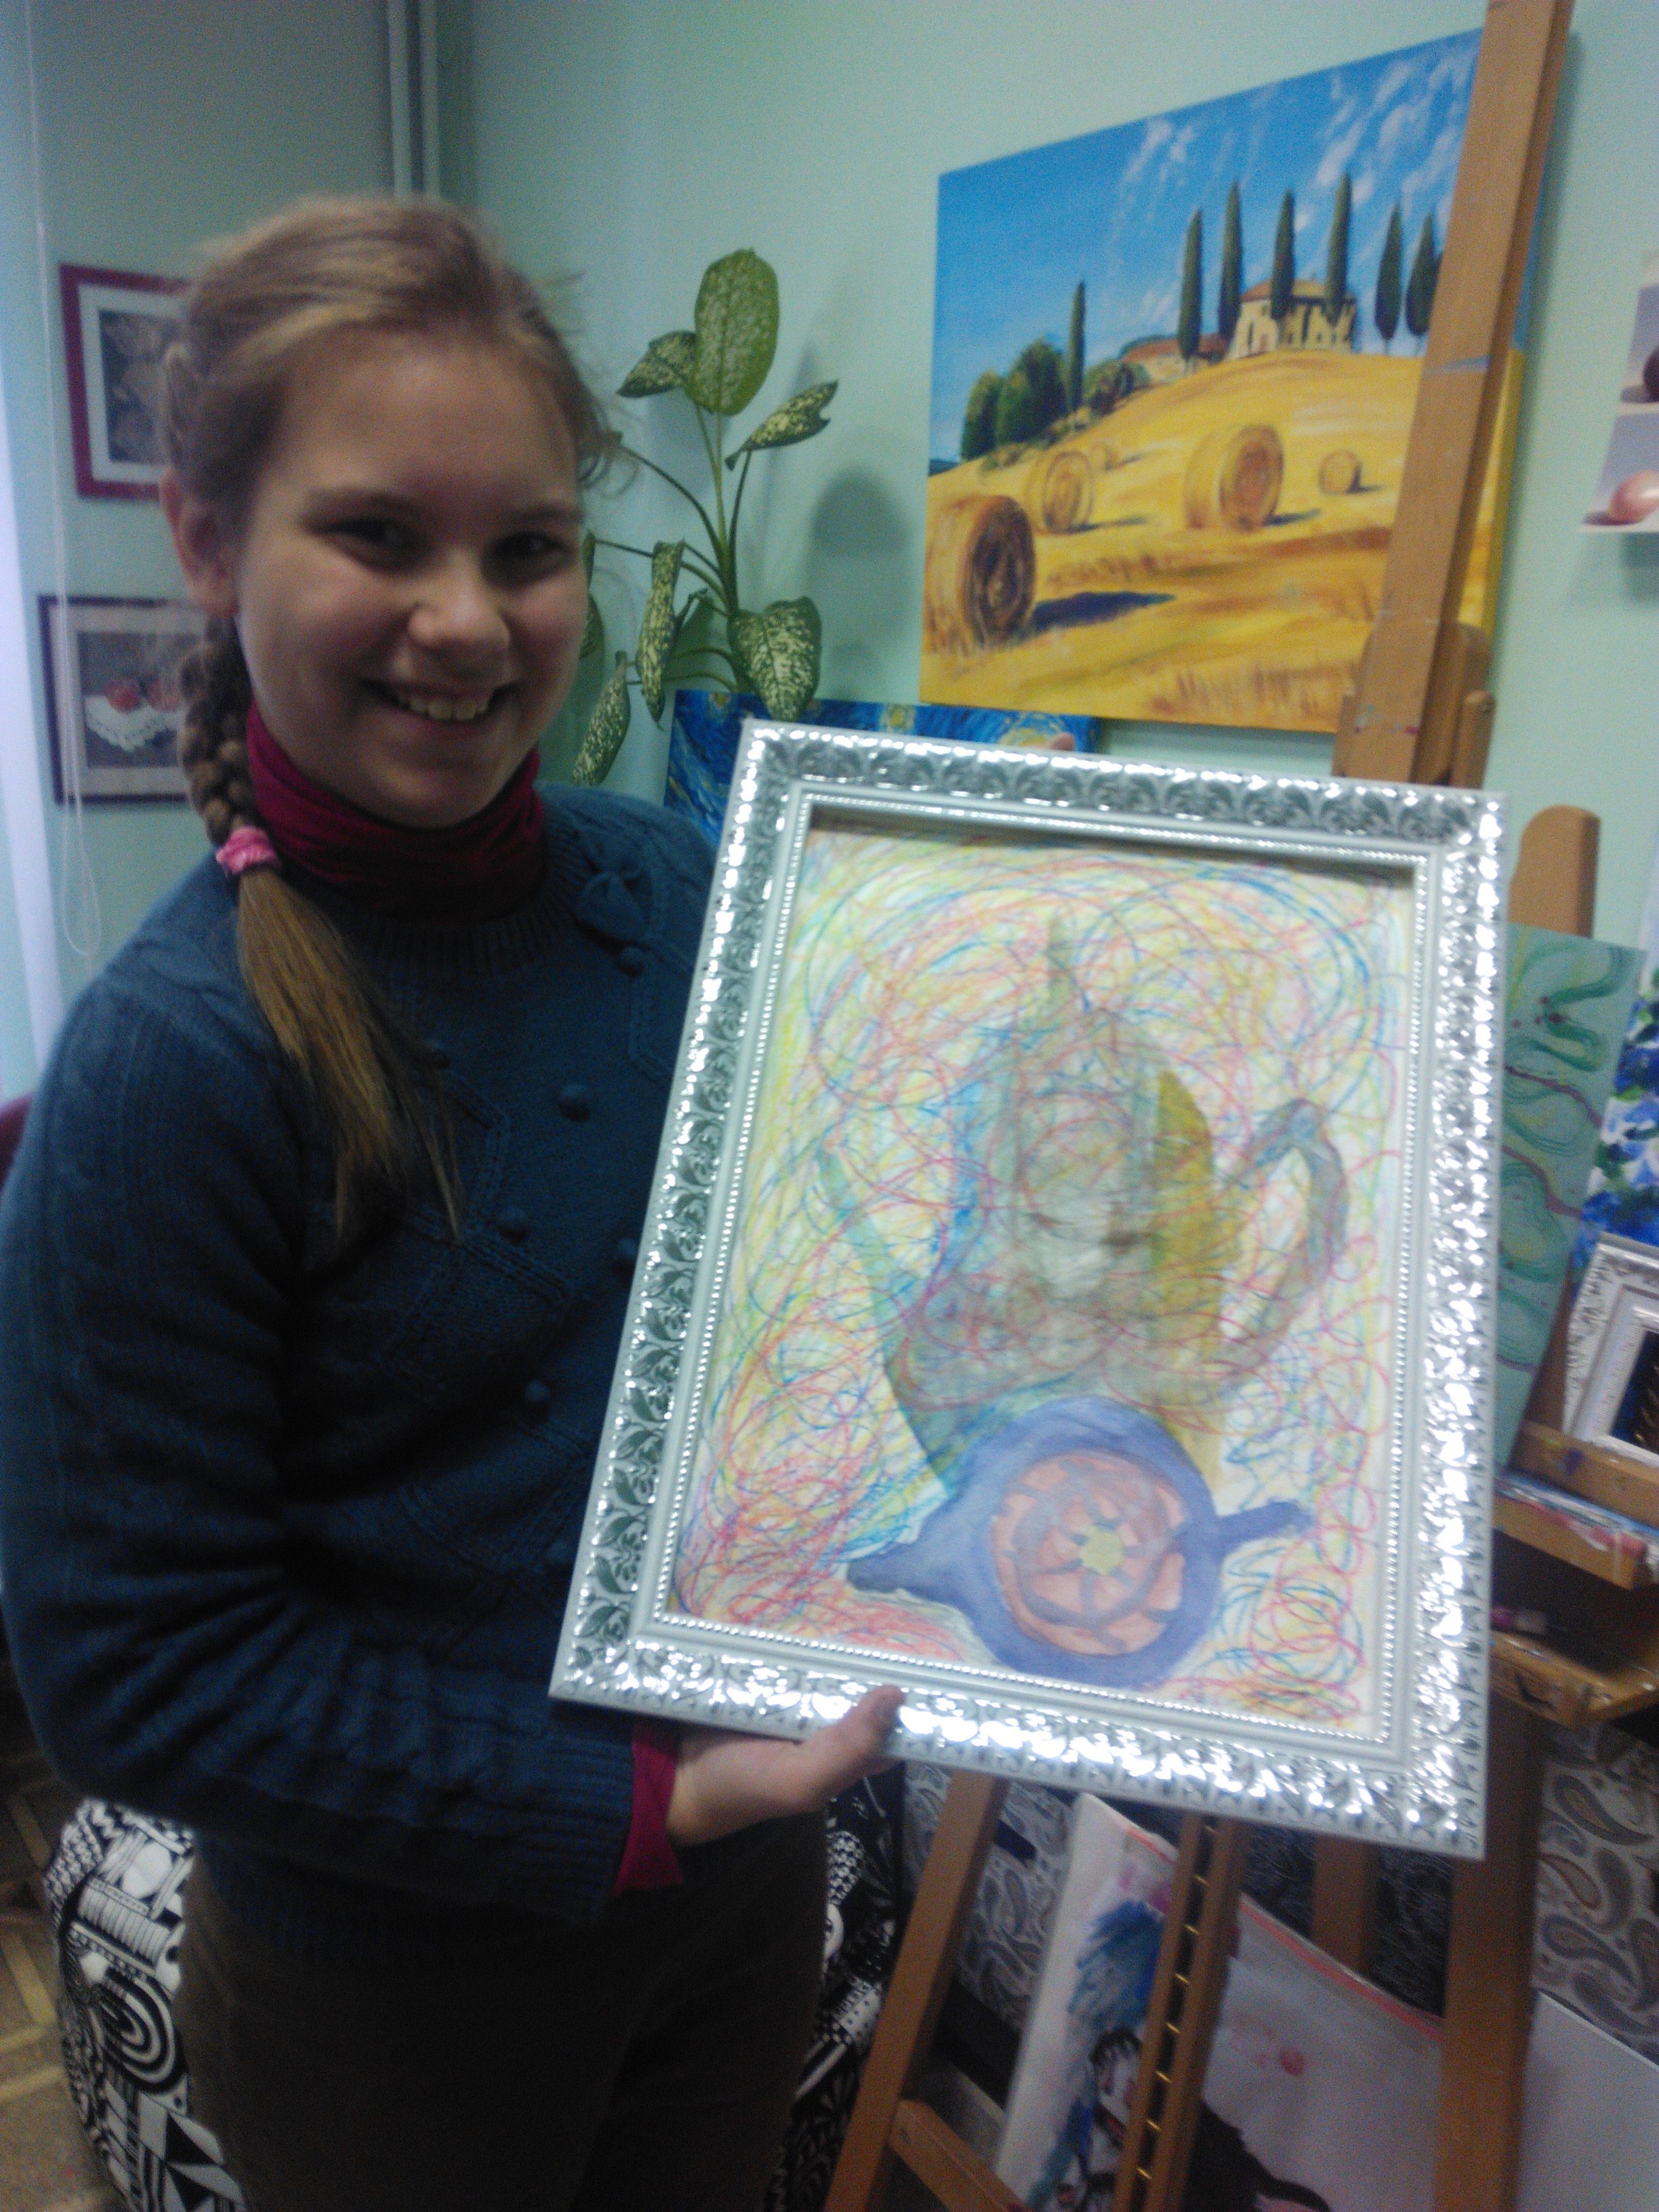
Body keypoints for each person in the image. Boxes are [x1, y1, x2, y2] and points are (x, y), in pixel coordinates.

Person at [0, 197, 899, 2212]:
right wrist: (634, 1806)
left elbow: (813, 1262)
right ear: (209, 541)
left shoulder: (670, 884)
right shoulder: (174, 1067)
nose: (471, 621)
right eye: (380, 536)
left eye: (529, 549)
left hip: (732, 1912)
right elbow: (135, 1671)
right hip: (395, 1999)